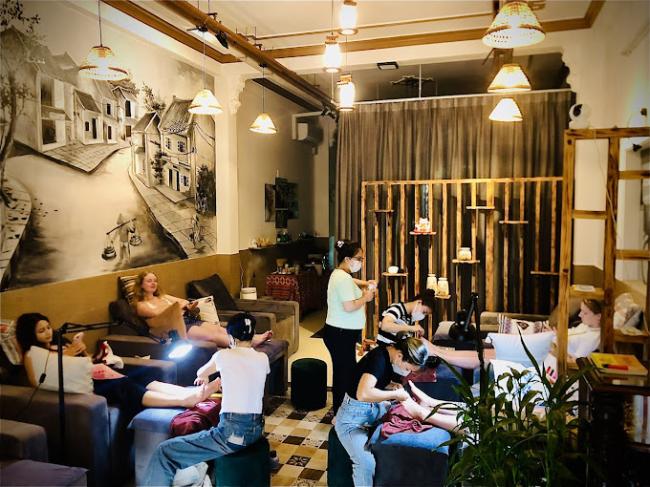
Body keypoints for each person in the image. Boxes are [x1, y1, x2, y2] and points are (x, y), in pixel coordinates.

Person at [15, 313, 219, 422]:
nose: (48, 332)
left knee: (141, 373)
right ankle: (184, 400)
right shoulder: (32, 354)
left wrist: (85, 352)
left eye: (48, 327)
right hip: (86, 384)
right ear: (30, 334)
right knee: (124, 385)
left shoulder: (60, 342)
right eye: (41, 331)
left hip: (94, 371)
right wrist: (68, 354)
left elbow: (86, 361)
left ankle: (187, 392)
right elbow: (36, 380)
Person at [142, 313, 269, 486]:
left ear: (231, 337)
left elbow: (201, 372)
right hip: (257, 429)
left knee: (164, 451)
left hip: (233, 435)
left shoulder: (223, 356)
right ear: (252, 335)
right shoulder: (263, 358)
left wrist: (204, 378)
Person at [335, 336, 442, 487]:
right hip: (352, 420)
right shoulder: (378, 359)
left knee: (407, 411)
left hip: (372, 409)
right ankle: (339, 420)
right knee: (366, 464)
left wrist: (391, 386)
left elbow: (375, 381)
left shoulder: (388, 352)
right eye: (407, 368)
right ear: (400, 355)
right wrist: (395, 394)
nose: (406, 372)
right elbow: (363, 393)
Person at [133, 271, 271, 347]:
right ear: (141, 284)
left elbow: (184, 302)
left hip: (188, 320)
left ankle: (252, 337)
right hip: (177, 329)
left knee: (219, 329)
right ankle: (246, 344)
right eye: (149, 281)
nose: (153, 283)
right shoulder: (141, 305)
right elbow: (162, 314)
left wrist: (181, 307)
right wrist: (179, 307)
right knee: (212, 336)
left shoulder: (163, 297)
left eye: (155, 281)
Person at [324, 240, 376, 414]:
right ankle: (340, 412)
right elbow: (349, 306)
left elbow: (350, 280)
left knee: (344, 371)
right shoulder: (342, 278)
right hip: (340, 334)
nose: (361, 262)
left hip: (340, 332)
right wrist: (366, 297)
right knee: (344, 374)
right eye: (358, 258)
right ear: (347, 259)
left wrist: (364, 283)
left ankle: (342, 409)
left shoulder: (340, 274)